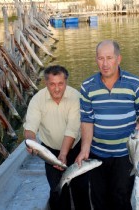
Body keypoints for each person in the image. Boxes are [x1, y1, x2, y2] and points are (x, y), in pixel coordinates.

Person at [75, 40, 139, 210]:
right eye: (100, 58)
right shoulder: (87, 87)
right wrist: (84, 149)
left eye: (109, 58)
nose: (105, 63)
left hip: (125, 154)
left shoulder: (134, 83)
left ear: (118, 59)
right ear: (96, 60)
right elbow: (87, 121)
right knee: (99, 200)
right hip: (97, 154)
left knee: (121, 199)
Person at [23, 65, 91, 210]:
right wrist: (31, 142)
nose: (57, 88)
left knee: (81, 189)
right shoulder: (37, 100)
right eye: (52, 84)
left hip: (75, 149)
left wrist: (64, 154)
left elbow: (72, 129)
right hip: (50, 152)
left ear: (66, 82)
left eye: (61, 83)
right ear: (45, 83)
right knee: (58, 192)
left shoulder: (76, 97)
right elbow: (30, 128)